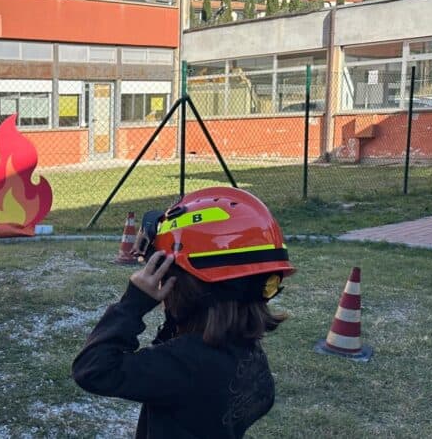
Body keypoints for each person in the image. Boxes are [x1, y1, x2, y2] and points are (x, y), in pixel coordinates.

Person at [72, 186, 296, 439]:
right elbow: (262, 400)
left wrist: (134, 303)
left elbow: (92, 368)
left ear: (185, 287)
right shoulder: (246, 347)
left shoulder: (183, 364)